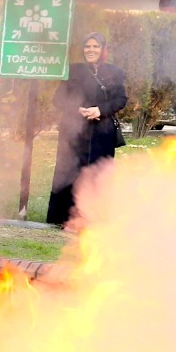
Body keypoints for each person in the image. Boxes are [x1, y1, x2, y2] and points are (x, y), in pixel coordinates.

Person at [47, 32, 127, 227]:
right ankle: (63, 218)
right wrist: (76, 109)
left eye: (95, 47)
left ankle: (92, 219)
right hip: (73, 132)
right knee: (69, 170)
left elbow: (121, 100)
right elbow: (58, 99)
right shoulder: (73, 70)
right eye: (87, 47)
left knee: (97, 172)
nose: (91, 50)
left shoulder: (114, 72)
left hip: (102, 132)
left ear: (103, 49)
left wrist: (100, 110)